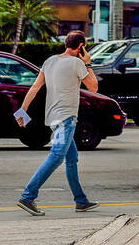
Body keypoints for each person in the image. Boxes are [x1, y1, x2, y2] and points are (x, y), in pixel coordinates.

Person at [15, 31, 100, 216]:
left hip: (53, 119)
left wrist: (22, 111)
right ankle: (28, 196)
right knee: (56, 157)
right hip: (66, 120)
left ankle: (81, 201)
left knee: (71, 159)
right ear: (81, 47)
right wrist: (88, 63)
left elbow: (35, 87)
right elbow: (94, 87)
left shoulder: (50, 61)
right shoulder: (77, 63)